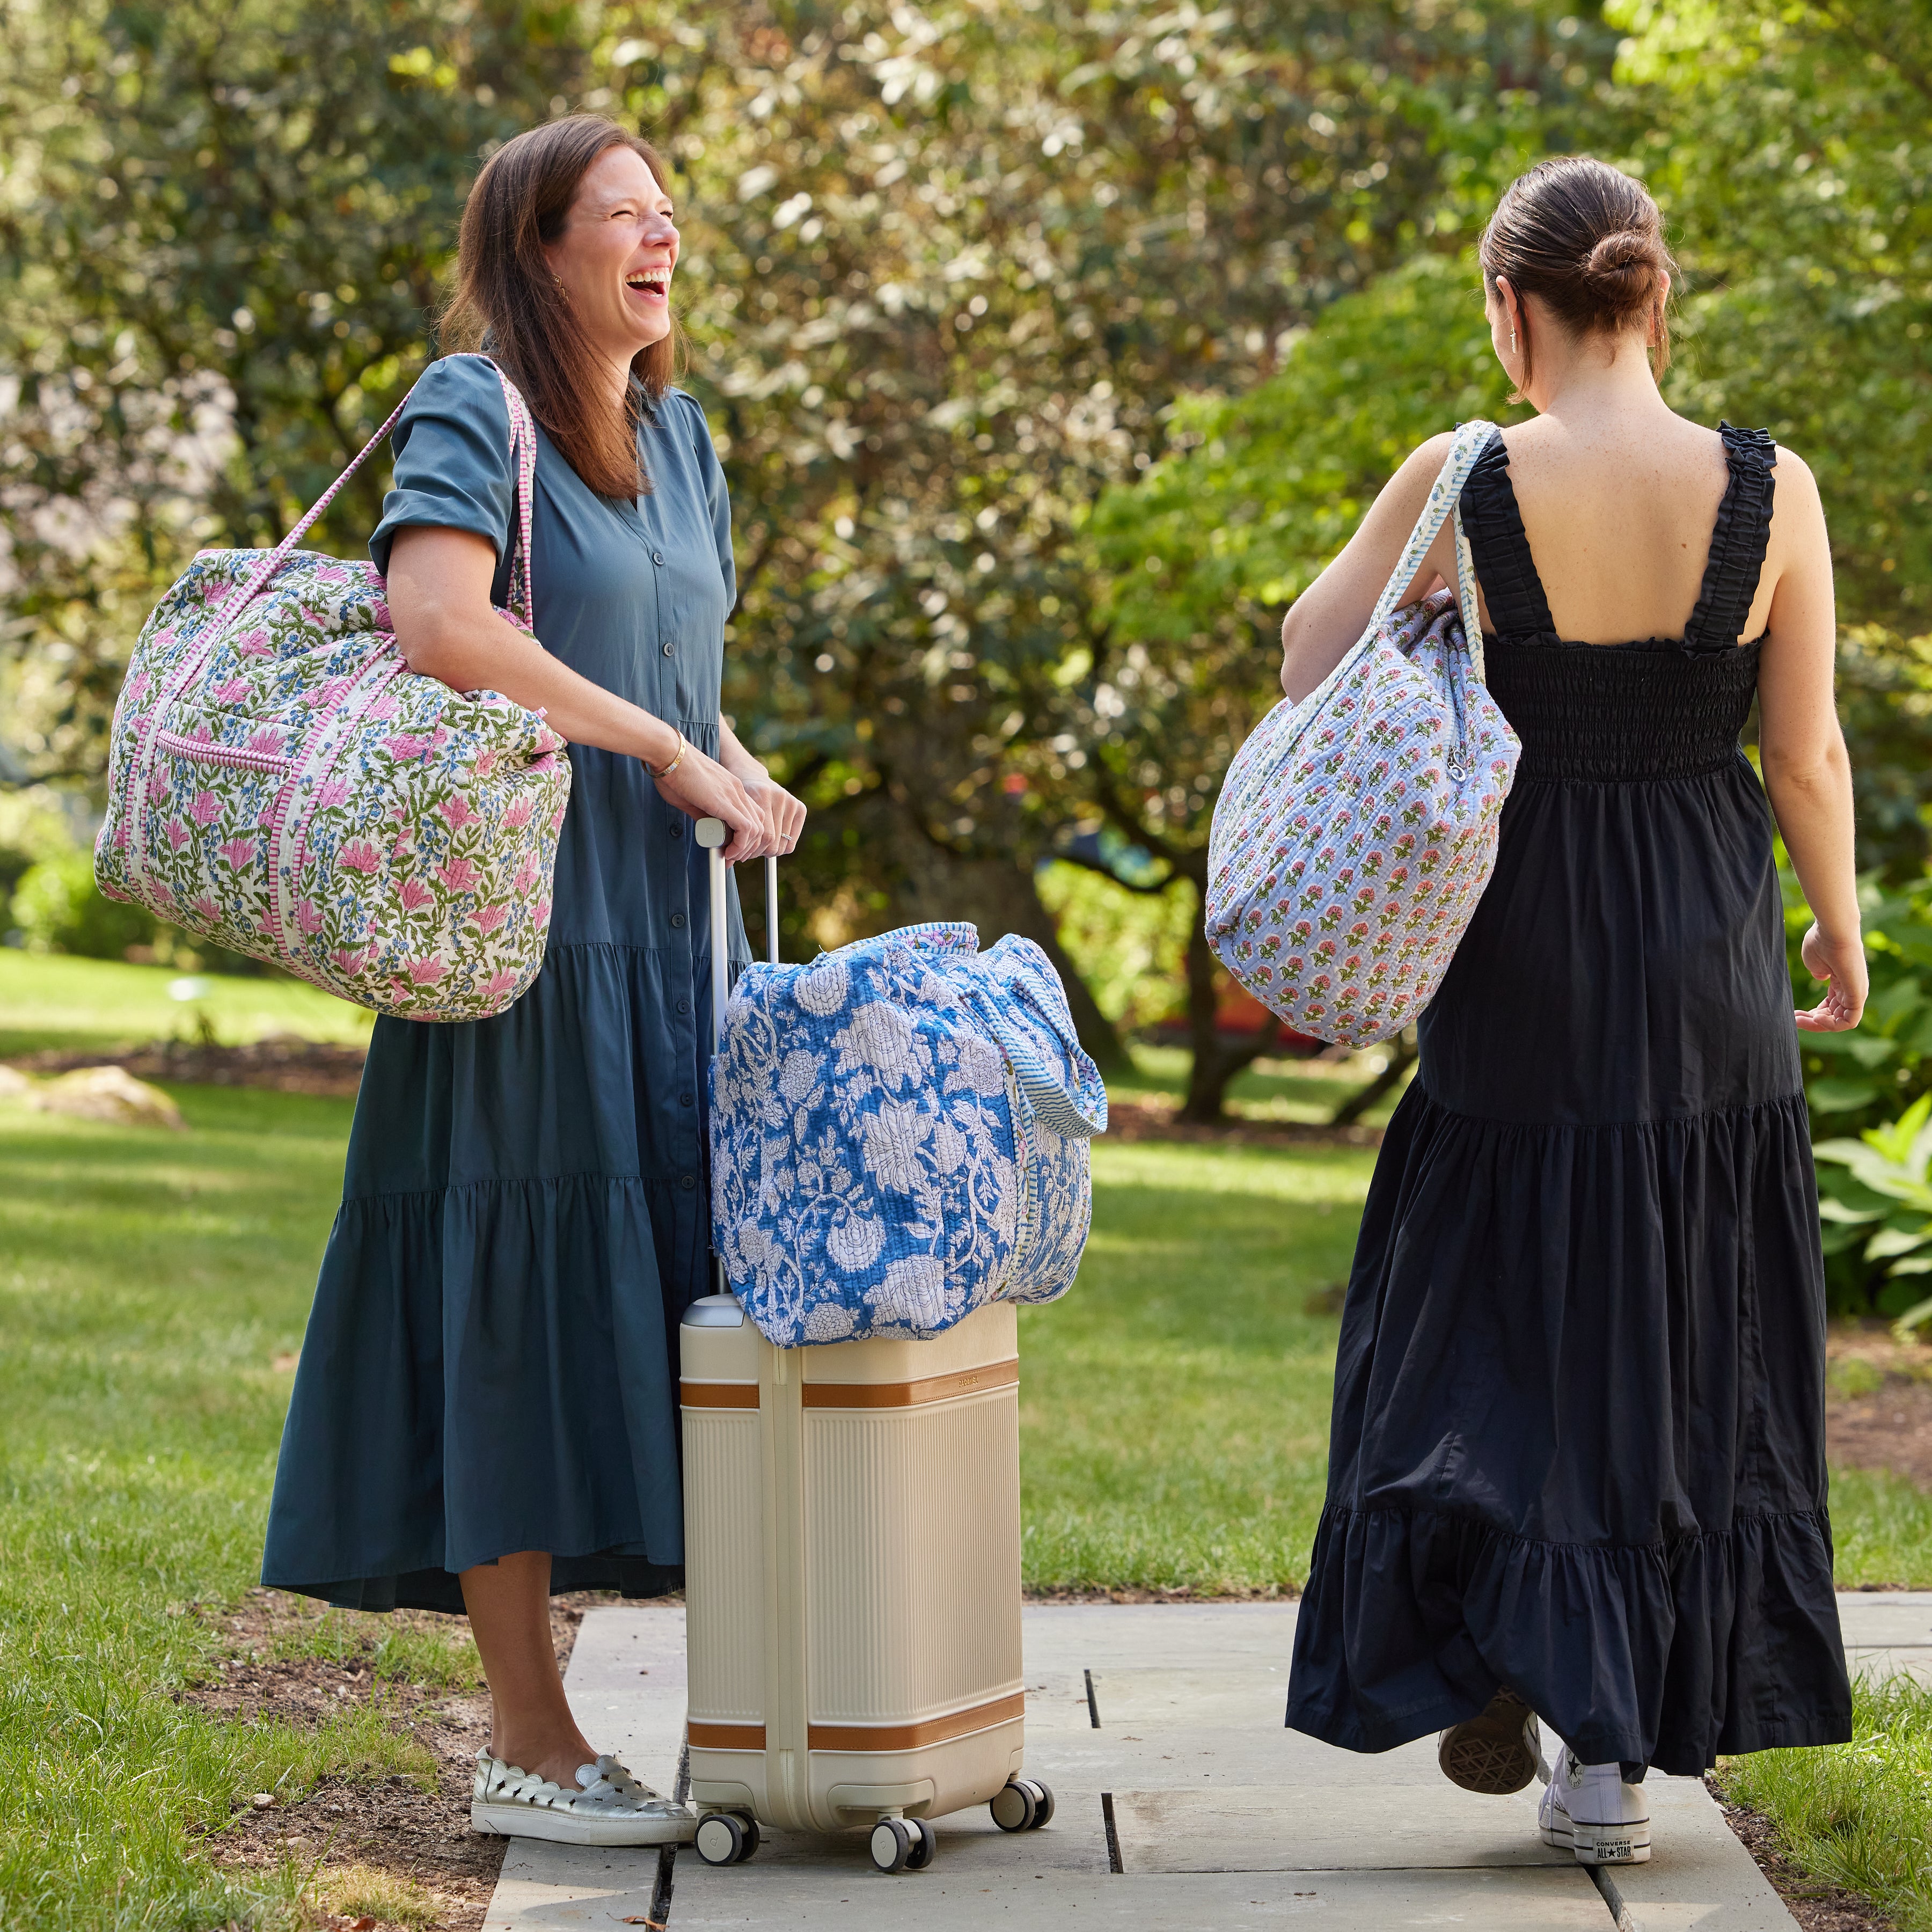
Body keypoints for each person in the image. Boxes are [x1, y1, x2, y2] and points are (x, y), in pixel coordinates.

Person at [1276, 156, 1861, 1867]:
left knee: (1495, 1306)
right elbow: (1805, 756)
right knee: (1683, 1321)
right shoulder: (1777, 488)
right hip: (1701, 947)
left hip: (1517, 944)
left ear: (1508, 309)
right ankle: (1612, 1756)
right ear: (1656, 297)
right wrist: (1839, 939)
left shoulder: (1467, 476)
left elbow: (1311, 661)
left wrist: (1437, 571)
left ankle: (1497, 1641)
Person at [262, 116, 804, 1846]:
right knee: (509, 1302)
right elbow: (445, 623)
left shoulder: (686, 436)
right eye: (622, 215)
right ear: (539, 242)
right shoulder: (470, 407)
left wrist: (730, 759)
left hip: (660, 943)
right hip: (509, 939)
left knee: (647, 1294)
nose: (659, 240)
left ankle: (747, 1708)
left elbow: (653, 656)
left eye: (670, 212)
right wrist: (664, 746)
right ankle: (526, 1737)